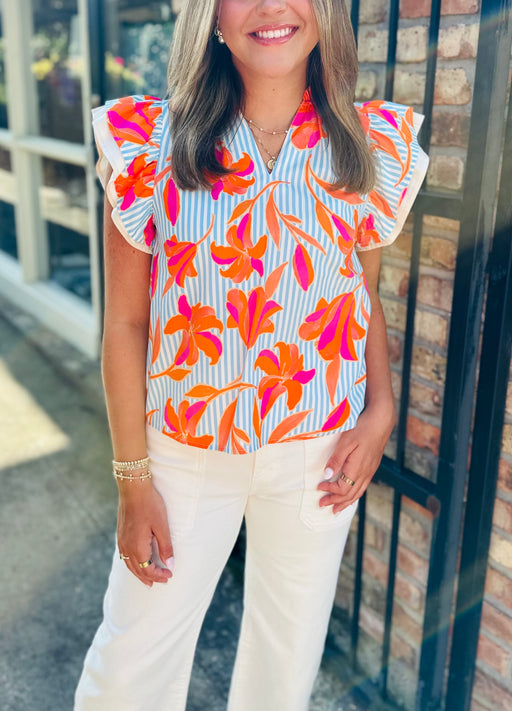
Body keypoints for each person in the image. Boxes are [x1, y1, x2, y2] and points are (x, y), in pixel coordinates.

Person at [75, 1, 429, 709]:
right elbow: (126, 325)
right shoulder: (150, 144)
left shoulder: (366, 146)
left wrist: (381, 408)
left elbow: (359, 297)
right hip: (182, 453)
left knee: (285, 659)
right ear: (210, 16)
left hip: (317, 453)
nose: (271, 7)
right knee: (131, 660)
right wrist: (132, 480)